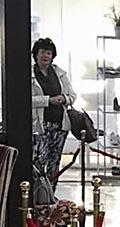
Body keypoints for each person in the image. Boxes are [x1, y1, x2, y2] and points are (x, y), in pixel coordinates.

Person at [30, 38, 76, 184]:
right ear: (36, 54)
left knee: (54, 162)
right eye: (43, 52)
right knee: (38, 162)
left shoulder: (59, 73)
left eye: (49, 53)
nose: (46, 56)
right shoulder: (30, 73)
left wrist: (64, 98)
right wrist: (48, 100)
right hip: (40, 126)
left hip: (60, 125)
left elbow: (72, 96)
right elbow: (26, 100)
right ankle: (38, 194)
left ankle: (51, 193)